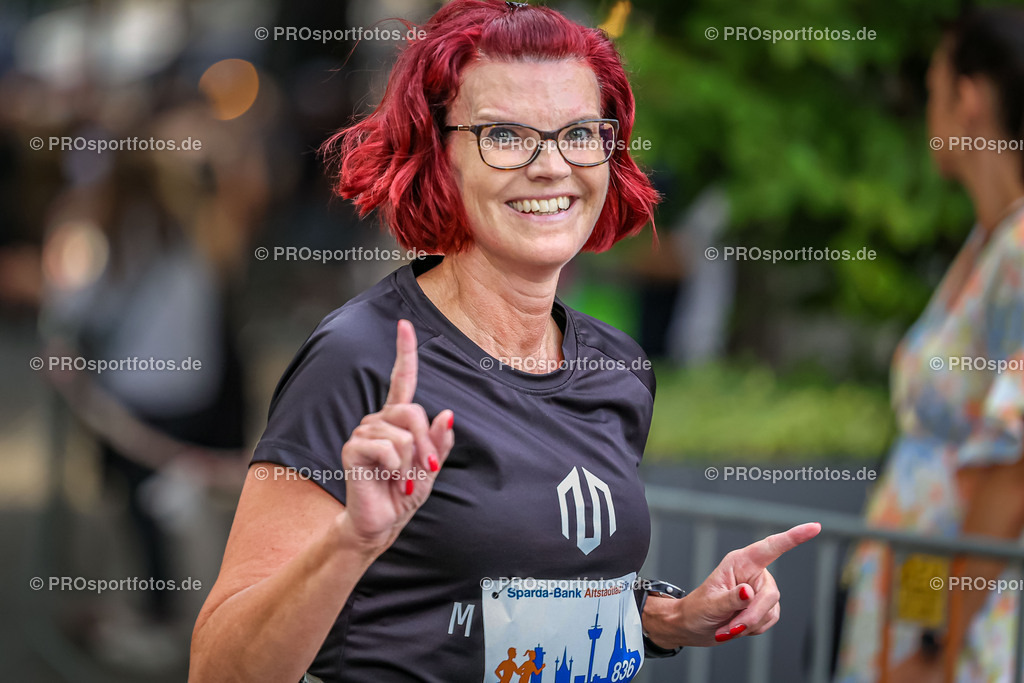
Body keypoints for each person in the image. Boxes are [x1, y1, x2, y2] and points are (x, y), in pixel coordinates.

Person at [188, 2, 820, 681]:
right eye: (506, 135)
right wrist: (352, 542)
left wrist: (670, 616)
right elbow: (219, 671)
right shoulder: (361, 358)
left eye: (580, 133)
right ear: (439, 155)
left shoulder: (618, 366)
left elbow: (522, 605)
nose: (551, 166)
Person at [835, 7, 1024, 683]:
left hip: (951, 621)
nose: (926, 112)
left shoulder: (1018, 253)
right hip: (918, 595)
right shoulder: (989, 242)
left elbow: (1013, 470)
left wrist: (938, 649)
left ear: (968, 98)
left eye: (933, 88)